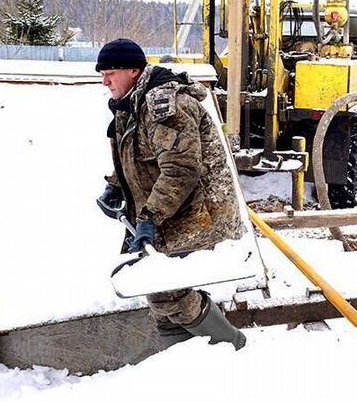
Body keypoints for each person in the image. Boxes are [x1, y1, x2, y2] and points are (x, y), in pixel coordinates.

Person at [95, 38, 246, 351]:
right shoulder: (131, 104)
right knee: (159, 291)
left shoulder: (166, 106)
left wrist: (149, 218)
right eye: (102, 73)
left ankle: (234, 347)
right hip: (170, 213)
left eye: (111, 71)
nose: (105, 80)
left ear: (134, 71)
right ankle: (180, 363)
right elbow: (139, 157)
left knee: (166, 291)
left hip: (199, 214)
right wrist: (115, 186)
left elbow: (181, 169)